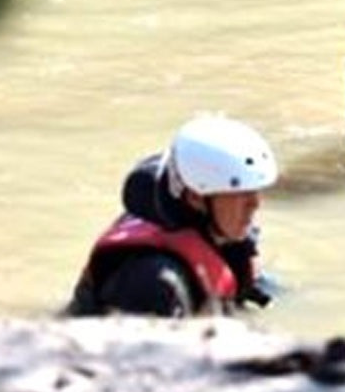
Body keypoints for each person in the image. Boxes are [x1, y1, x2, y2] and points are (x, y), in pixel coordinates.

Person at [66, 113, 280, 316]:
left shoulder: (224, 229)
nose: (255, 204)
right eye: (240, 193)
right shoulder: (154, 282)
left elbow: (261, 290)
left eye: (255, 190)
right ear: (196, 197)